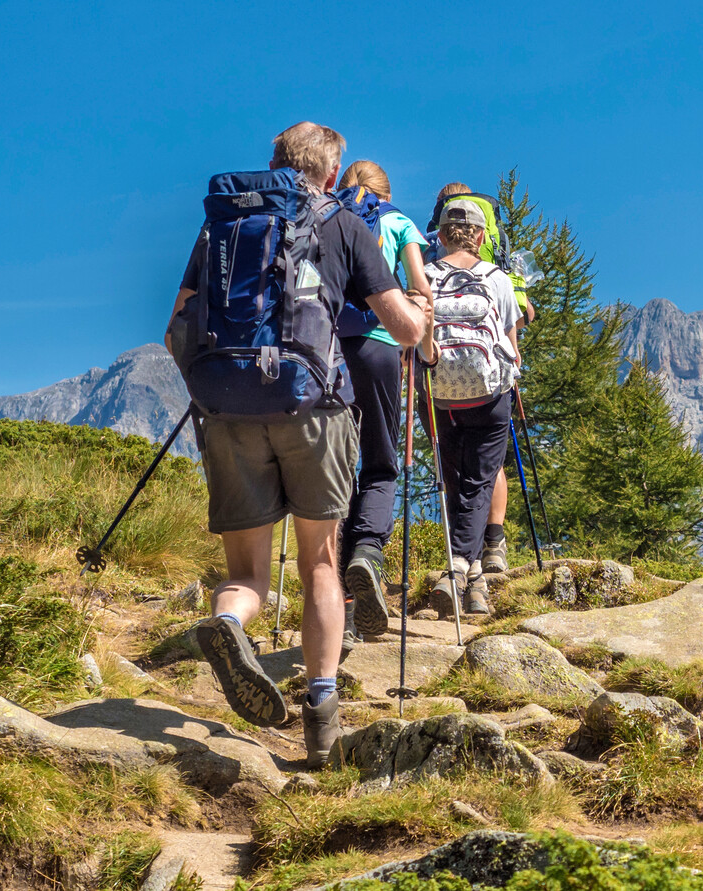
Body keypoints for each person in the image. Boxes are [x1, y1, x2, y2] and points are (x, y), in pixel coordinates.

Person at [164, 122, 432, 768]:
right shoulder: (344, 222)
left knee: (248, 574)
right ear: (333, 175)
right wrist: (424, 306)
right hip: (315, 406)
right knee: (319, 562)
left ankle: (228, 625)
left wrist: (212, 391)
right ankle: (321, 716)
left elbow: (177, 324)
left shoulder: (222, 225)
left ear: (274, 162)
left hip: (227, 409)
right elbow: (404, 329)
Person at [333, 160, 430, 640]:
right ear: (385, 191)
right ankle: (368, 554)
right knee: (380, 463)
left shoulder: (326, 216)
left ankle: (339, 603)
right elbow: (421, 286)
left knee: (333, 471)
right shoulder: (397, 221)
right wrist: (424, 347)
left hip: (325, 353)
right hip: (380, 346)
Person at [418, 196, 522, 616]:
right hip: (490, 395)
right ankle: (462, 568)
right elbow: (512, 346)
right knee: (480, 483)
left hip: (440, 395)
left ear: (440, 236)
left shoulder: (424, 275)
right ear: (481, 236)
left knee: (457, 479)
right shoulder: (497, 278)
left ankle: (470, 576)